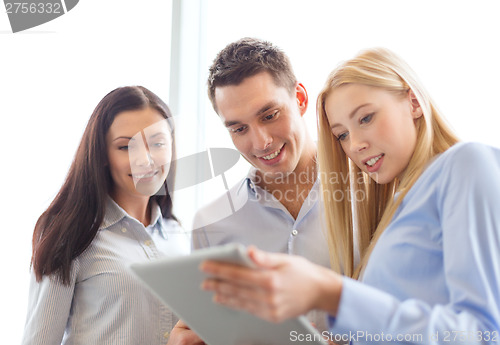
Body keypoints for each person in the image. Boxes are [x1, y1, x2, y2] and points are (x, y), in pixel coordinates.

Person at [200, 48, 500, 344]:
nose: (354, 144)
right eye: (341, 134)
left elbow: (485, 333)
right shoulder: (394, 205)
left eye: (366, 118)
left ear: (413, 101)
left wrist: (332, 293)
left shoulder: (466, 163)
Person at [22, 86, 191, 345]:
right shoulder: (72, 233)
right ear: (102, 154)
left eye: (157, 143)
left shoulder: (177, 235)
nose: (145, 160)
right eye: (125, 147)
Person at [191, 37, 332, 332]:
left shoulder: (372, 189)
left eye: (270, 115)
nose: (261, 142)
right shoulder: (210, 225)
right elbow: (216, 331)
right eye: (239, 129)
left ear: (301, 99)